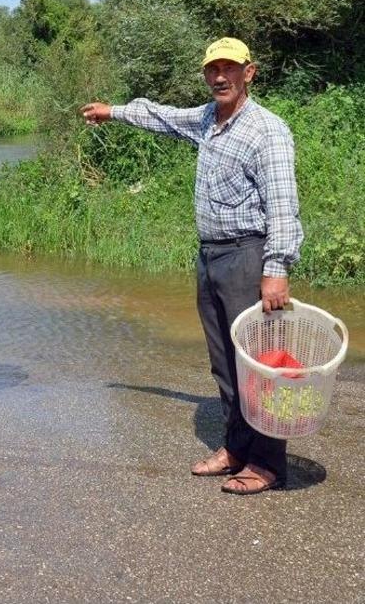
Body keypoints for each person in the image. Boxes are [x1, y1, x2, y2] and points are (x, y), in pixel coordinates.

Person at [80, 37, 304, 495]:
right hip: (210, 255)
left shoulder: (267, 130)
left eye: (229, 68)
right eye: (212, 69)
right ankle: (236, 448)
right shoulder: (206, 120)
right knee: (224, 363)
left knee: (260, 363)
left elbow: (283, 205)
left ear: (249, 73)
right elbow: (161, 116)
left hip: (248, 254)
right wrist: (113, 111)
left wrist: (275, 267)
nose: (220, 77)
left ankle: (266, 463)